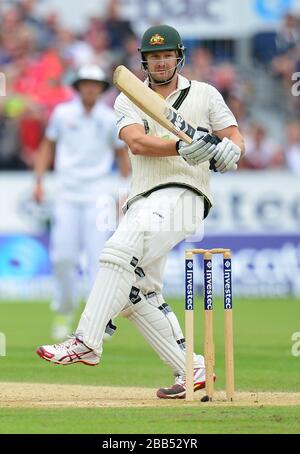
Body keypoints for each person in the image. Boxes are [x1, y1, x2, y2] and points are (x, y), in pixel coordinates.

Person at [36, 25, 244, 399]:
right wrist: (179, 148)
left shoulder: (206, 94)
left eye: (166, 55)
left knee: (117, 251)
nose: (160, 62)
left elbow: (232, 134)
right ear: (144, 61)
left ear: (178, 57)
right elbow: (135, 142)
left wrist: (232, 150)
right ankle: (192, 370)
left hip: (185, 193)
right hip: (143, 197)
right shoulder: (128, 97)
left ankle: (87, 340)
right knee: (136, 291)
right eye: (153, 56)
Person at [34, 64, 130, 340]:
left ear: (101, 89)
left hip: (98, 194)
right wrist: (39, 180)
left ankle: (97, 320)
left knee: (98, 259)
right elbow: (47, 146)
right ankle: (64, 310)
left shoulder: (109, 117)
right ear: (78, 87)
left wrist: (123, 190)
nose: (90, 88)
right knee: (63, 258)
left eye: (95, 84)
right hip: (66, 192)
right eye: (86, 83)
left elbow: (121, 155)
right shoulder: (63, 114)